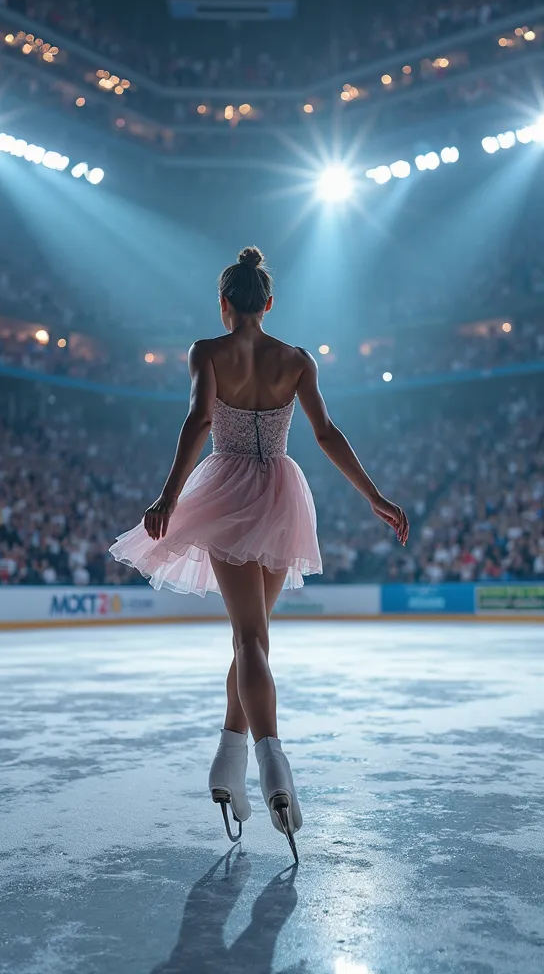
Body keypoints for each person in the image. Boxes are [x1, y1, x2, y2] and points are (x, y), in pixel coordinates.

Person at [110, 246, 409, 861]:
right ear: (268, 305)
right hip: (279, 491)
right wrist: (374, 496)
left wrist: (167, 498)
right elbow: (326, 433)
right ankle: (234, 763)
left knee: (249, 639)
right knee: (256, 638)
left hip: (224, 488)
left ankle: (270, 766)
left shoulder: (208, 351)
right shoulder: (296, 359)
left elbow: (197, 421)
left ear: (225, 305)